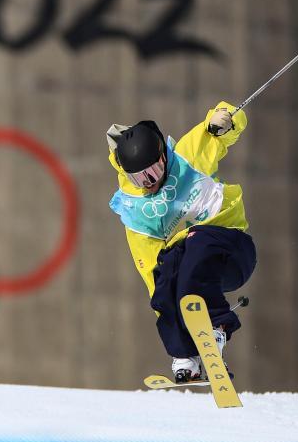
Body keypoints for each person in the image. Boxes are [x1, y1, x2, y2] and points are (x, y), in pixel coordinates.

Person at [106, 103, 257, 383]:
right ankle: (186, 356)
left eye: (154, 170)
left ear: (164, 156)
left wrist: (223, 120)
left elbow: (219, 131)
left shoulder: (187, 158)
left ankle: (216, 324)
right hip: (195, 264)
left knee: (197, 241)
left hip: (232, 248)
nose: (149, 181)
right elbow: (151, 271)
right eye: (139, 178)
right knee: (166, 277)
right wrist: (167, 303)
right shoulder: (137, 212)